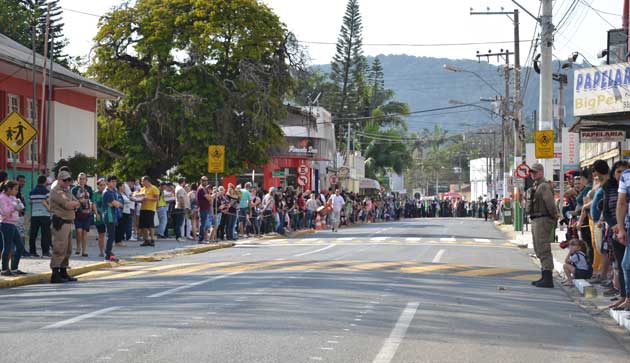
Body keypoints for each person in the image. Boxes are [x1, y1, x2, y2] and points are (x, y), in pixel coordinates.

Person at [526, 163, 559, 288]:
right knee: (538, 248)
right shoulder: (536, 186)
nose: (532, 174)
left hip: (543, 219)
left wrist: (555, 216)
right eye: (531, 172)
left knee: (543, 248)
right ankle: (544, 275)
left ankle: (548, 278)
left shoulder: (544, 186)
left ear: (541, 172)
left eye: (535, 172)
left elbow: (550, 203)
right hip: (536, 219)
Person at [603, 161, 629, 308]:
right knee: (620, 264)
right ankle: (624, 295)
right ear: (613, 174)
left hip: (627, 228)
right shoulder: (609, 188)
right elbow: (605, 211)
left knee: (627, 264)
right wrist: (616, 226)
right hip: (616, 231)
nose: (622, 174)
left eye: (625, 171)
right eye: (618, 171)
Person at [48, 171, 81, 283]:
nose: (67, 182)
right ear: (59, 180)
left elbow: (78, 203)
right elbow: (67, 205)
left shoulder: (67, 191)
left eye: (69, 180)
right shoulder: (57, 191)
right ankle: (55, 273)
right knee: (59, 248)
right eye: (65, 180)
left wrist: (74, 203)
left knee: (68, 249)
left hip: (68, 222)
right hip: (60, 222)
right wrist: (74, 204)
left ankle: (63, 271)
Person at [0, 181, 26, 276]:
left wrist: (19, 205)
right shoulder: (2, 197)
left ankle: (14, 268)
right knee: (8, 247)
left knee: (20, 246)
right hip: (6, 224)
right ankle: (4, 269)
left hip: (13, 224)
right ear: (8, 189)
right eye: (15, 189)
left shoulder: (12, 197)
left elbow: (20, 209)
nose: (16, 191)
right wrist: (14, 207)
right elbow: (4, 213)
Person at [71, 172, 93, 257]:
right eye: (80, 178)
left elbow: (91, 200)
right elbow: (72, 201)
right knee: (79, 231)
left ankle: (84, 251)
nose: (82, 180)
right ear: (77, 180)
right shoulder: (74, 189)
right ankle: (78, 247)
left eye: (83, 178)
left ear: (86, 180)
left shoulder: (89, 189)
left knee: (84, 232)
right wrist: (79, 201)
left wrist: (92, 209)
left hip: (87, 213)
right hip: (78, 213)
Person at [28, 175, 51, 257]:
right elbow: (48, 202)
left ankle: (32, 252)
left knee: (33, 234)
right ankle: (45, 252)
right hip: (45, 215)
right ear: (45, 182)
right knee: (45, 234)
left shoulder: (32, 192)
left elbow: (30, 203)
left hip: (34, 215)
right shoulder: (46, 191)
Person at [134, 176, 159, 247]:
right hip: (143, 208)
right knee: (143, 225)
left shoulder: (154, 188)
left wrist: (147, 198)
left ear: (147, 181)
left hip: (150, 209)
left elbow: (157, 198)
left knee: (150, 225)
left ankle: (152, 240)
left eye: (142, 181)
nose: (142, 183)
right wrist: (136, 199)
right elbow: (140, 198)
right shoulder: (143, 189)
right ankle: (146, 240)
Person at [92, 179, 107, 257]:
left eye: (104, 185)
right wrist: (96, 214)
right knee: (101, 234)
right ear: (98, 186)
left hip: (107, 216)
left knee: (105, 235)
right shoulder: (95, 194)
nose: (103, 187)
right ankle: (101, 251)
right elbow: (94, 204)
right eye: (101, 185)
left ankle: (106, 250)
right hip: (99, 217)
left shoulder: (107, 193)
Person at [115, 181, 132, 248]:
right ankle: (118, 241)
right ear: (119, 187)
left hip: (127, 212)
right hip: (122, 212)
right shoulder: (118, 194)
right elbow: (119, 203)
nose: (124, 187)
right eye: (123, 186)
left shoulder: (124, 194)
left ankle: (120, 240)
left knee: (124, 227)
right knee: (120, 227)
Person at [196, 176, 211, 243]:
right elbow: (209, 199)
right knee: (203, 224)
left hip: (205, 209)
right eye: (203, 180)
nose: (205, 181)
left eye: (206, 180)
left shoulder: (204, 189)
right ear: (201, 181)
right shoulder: (201, 189)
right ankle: (201, 239)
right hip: (203, 209)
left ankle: (203, 239)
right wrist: (213, 195)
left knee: (205, 225)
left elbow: (210, 199)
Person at [173, 177, 187, 242]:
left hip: (178, 207)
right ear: (183, 182)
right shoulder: (180, 188)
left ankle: (178, 236)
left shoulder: (177, 188)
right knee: (179, 223)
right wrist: (184, 207)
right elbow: (181, 199)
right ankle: (178, 237)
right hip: (180, 208)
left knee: (178, 223)